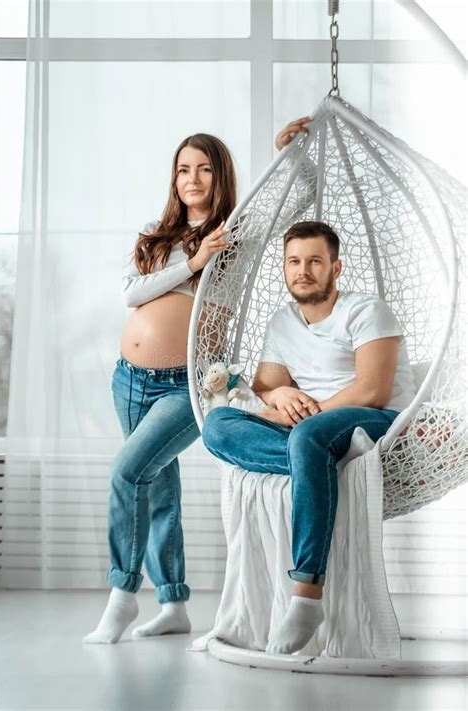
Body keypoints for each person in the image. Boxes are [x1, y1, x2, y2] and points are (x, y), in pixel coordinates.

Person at [84, 117, 312, 645]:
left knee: (127, 472)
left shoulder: (237, 237)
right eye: (184, 169)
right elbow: (130, 294)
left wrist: (290, 153)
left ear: (220, 176)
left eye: (205, 169)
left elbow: (298, 199)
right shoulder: (160, 239)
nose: (193, 179)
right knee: (156, 487)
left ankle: (121, 596)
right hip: (129, 381)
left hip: (189, 383)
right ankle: (173, 603)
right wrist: (192, 261)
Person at [202, 220, 416, 655]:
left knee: (308, 438)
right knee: (218, 424)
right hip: (314, 430)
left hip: (376, 420)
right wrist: (279, 392)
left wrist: (306, 420)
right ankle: (311, 462)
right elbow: (266, 385)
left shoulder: (366, 310)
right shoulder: (282, 322)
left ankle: (306, 595)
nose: (303, 270)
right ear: (284, 267)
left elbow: (373, 389)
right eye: (294, 261)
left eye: (315, 261)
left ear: (335, 268)